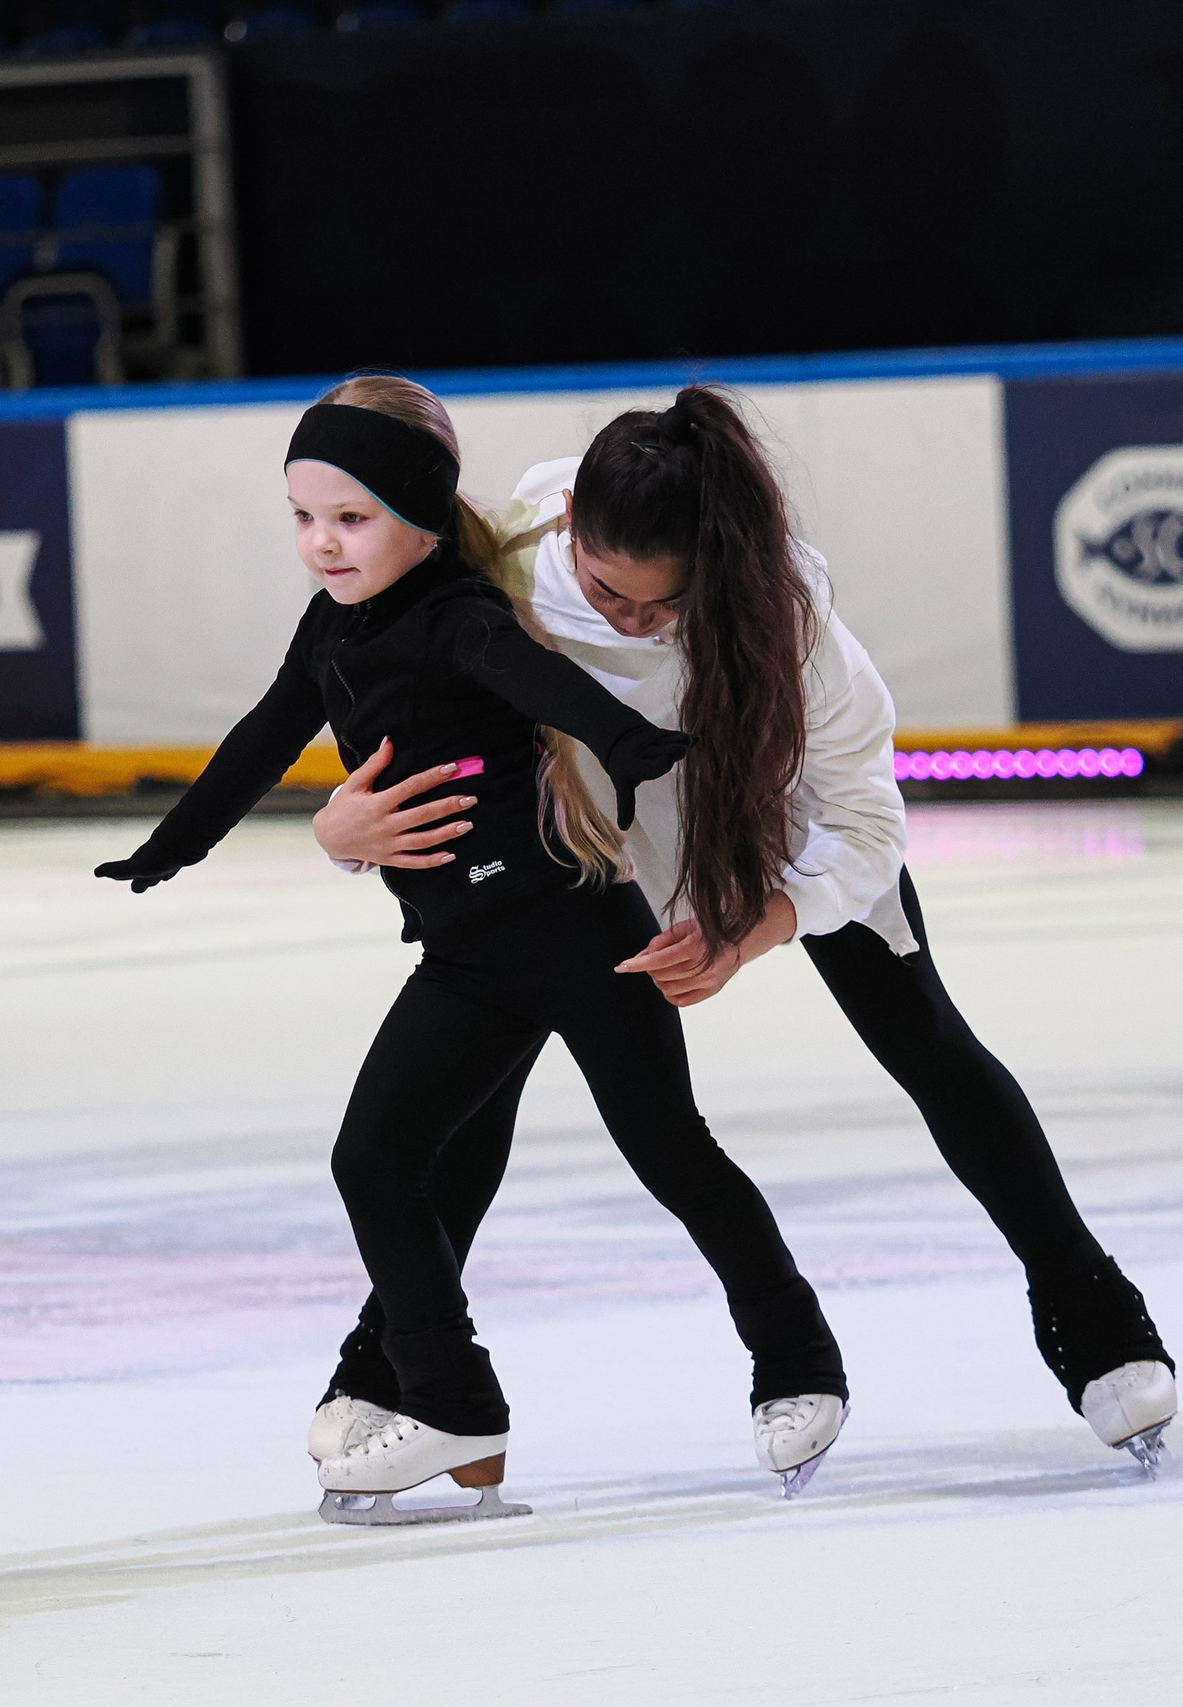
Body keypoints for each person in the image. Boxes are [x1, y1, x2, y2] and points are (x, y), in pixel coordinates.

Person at [310, 385, 1179, 1474]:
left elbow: (864, 818)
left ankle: (1088, 1307)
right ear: (571, 519)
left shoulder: (793, 628)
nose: (625, 621)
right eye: (604, 592)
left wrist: (756, 927)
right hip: (597, 846)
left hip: (788, 832)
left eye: (654, 610)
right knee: (477, 1086)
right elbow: (396, 706)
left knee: (927, 1045)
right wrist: (340, 830)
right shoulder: (507, 560)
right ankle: (395, 1358)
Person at [94, 376, 851, 1523]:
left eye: (349, 520)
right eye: (303, 519)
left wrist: (632, 743)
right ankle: (451, 1400)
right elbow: (263, 735)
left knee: (669, 1154)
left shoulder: (457, 612)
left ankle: (798, 1363)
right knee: (377, 1160)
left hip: (576, 934)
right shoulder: (333, 627)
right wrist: (174, 846)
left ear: (418, 514)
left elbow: (534, 680)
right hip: (466, 955)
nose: (322, 544)